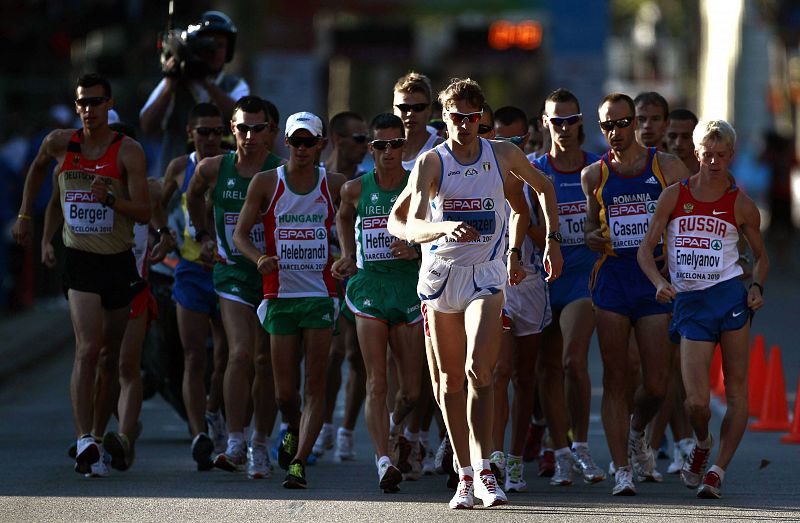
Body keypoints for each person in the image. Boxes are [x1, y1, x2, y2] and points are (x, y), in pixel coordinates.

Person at [401, 77, 563, 509]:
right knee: (451, 381)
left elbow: (543, 188)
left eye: (474, 118)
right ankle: (465, 473)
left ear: (482, 119)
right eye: (458, 117)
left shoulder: (503, 153)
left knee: (480, 370)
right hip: (442, 276)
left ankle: (486, 468)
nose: (466, 125)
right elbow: (411, 224)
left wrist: (549, 241)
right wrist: (441, 226)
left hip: (486, 275)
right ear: (445, 118)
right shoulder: (432, 163)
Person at [13, 73, 151, 477]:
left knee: (109, 357)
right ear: (76, 107)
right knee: (87, 348)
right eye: (82, 103)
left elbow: (143, 211)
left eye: (96, 102)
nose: (89, 110)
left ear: (108, 104)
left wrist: (109, 197)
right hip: (80, 261)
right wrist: (27, 217)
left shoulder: (128, 152)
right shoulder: (60, 143)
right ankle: (84, 440)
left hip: (118, 261)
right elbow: (39, 172)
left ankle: (96, 430)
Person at [637, 119, 768, 499]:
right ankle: (702, 442)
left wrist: (757, 285)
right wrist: (660, 282)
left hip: (728, 297)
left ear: (731, 155)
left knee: (737, 390)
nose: (713, 161)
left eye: (721, 155)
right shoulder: (674, 197)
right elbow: (646, 251)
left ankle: (717, 471)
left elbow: (761, 258)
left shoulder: (741, 203)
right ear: (696, 154)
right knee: (696, 402)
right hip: (690, 302)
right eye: (707, 154)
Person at [581, 92, 690, 495]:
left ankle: (638, 431)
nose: (616, 132)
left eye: (622, 123)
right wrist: (592, 237)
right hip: (612, 278)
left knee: (658, 382)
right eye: (607, 125)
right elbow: (593, 227)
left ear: (637, 124)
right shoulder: (594, 174)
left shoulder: (666, 167)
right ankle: (621, 468)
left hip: (653, 282)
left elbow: (689, 216)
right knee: (616, 377)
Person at [233, 111, 346, 489]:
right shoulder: (267, 183)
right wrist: (259, 258)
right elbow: (240, 236)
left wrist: (348, 256)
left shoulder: (336, 184)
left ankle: (298, 462)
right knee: (285, 392)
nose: (301, 148)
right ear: (286, 143)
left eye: (308, 142)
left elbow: (362, 220)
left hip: (319, 293)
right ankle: (291, 426)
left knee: (315, 383)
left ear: (320, 145)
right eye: (295, 141)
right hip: (280, 295)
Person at [330, 112, 425, 492]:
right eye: (381, 145)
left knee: (413, 392)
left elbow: (433, 229)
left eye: (396, 144)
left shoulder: (419, 186)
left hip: (408, 289)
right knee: (377, 380)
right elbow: (342, 216)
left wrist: (416, 249)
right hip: (368, 286)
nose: (389, 152)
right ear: (370, 149)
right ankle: (383, 459)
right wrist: (348, 253)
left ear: (405, 145)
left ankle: (395, 428)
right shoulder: (355, 188)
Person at [186, 95, 280, 477]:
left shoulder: (282, 171)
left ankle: (261, 442)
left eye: (259, 128)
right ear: (233, 129)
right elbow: (192, 195)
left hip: (274, 275)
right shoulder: (213, 168)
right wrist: (204, 233)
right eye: (243, 128)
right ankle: (235, 439)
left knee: (265, 361)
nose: (250, 135)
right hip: (232, 274)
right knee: (240, 353)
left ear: (270, 132)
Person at [488, 105, 567, 492]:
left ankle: (517, 459)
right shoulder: (478, 177)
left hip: (531, 285)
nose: (508, 146)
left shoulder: (537, 180)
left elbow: (548, 233)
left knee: (524, 378)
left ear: (529, 139)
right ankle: (494, 458)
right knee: (498, 373)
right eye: (500, 138)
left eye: (516, 140)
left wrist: (536, 237)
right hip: (493, 285)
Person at [534, 89, 606, 484]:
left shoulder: (598, 168)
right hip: (543, 279)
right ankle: (560, 450)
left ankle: (581, 446)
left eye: (569, 119)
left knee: (571, 362)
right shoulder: (533, 169)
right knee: (547, 368)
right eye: (555, 120)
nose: (563, 127)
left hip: (583, 277)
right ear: (544, 123)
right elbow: (517, 219)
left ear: (580, 122)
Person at [159, 102, 230, 466]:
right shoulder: (179, 167)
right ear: (191, 133)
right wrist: (164, 234)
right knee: (193, 356)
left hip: (228, 273)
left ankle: (214, 411)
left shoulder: (232, 167)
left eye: (218, 131)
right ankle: (198, 434)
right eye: (204, 132)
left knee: (227, 354)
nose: (211, 138)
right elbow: (158, 202)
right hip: (190, 270)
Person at [314, 111, 369, 462]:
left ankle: (347, 430)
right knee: (332, 356)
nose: (367, 147)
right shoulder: (315, 178)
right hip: (321, 276)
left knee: (356, 356)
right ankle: (324, 427)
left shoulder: (366, 180)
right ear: (336, 140)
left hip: (358, 274)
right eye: (359, 139)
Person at [140, 11, 249, 175]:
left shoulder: (235, 85)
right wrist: (170, 83)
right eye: (207, 45)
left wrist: (205, 82)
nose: (213, 51)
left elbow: (241, 117)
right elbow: (147, 125)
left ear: (229, 50)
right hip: (177, 185)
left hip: (222, 182)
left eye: (219, 45)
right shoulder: (174, 83)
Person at [393, 72, 443, 171]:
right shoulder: (384, 147)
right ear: (394, 109)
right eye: (404, 107)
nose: (410, 114)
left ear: (429, 110)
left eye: (418, 107)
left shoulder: (441, 150)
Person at [666, 109, 700, 173]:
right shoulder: (654, 170)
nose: (678, 143)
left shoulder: (711, 171)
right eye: (672, 136)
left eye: (686, 137)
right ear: (664, 135)